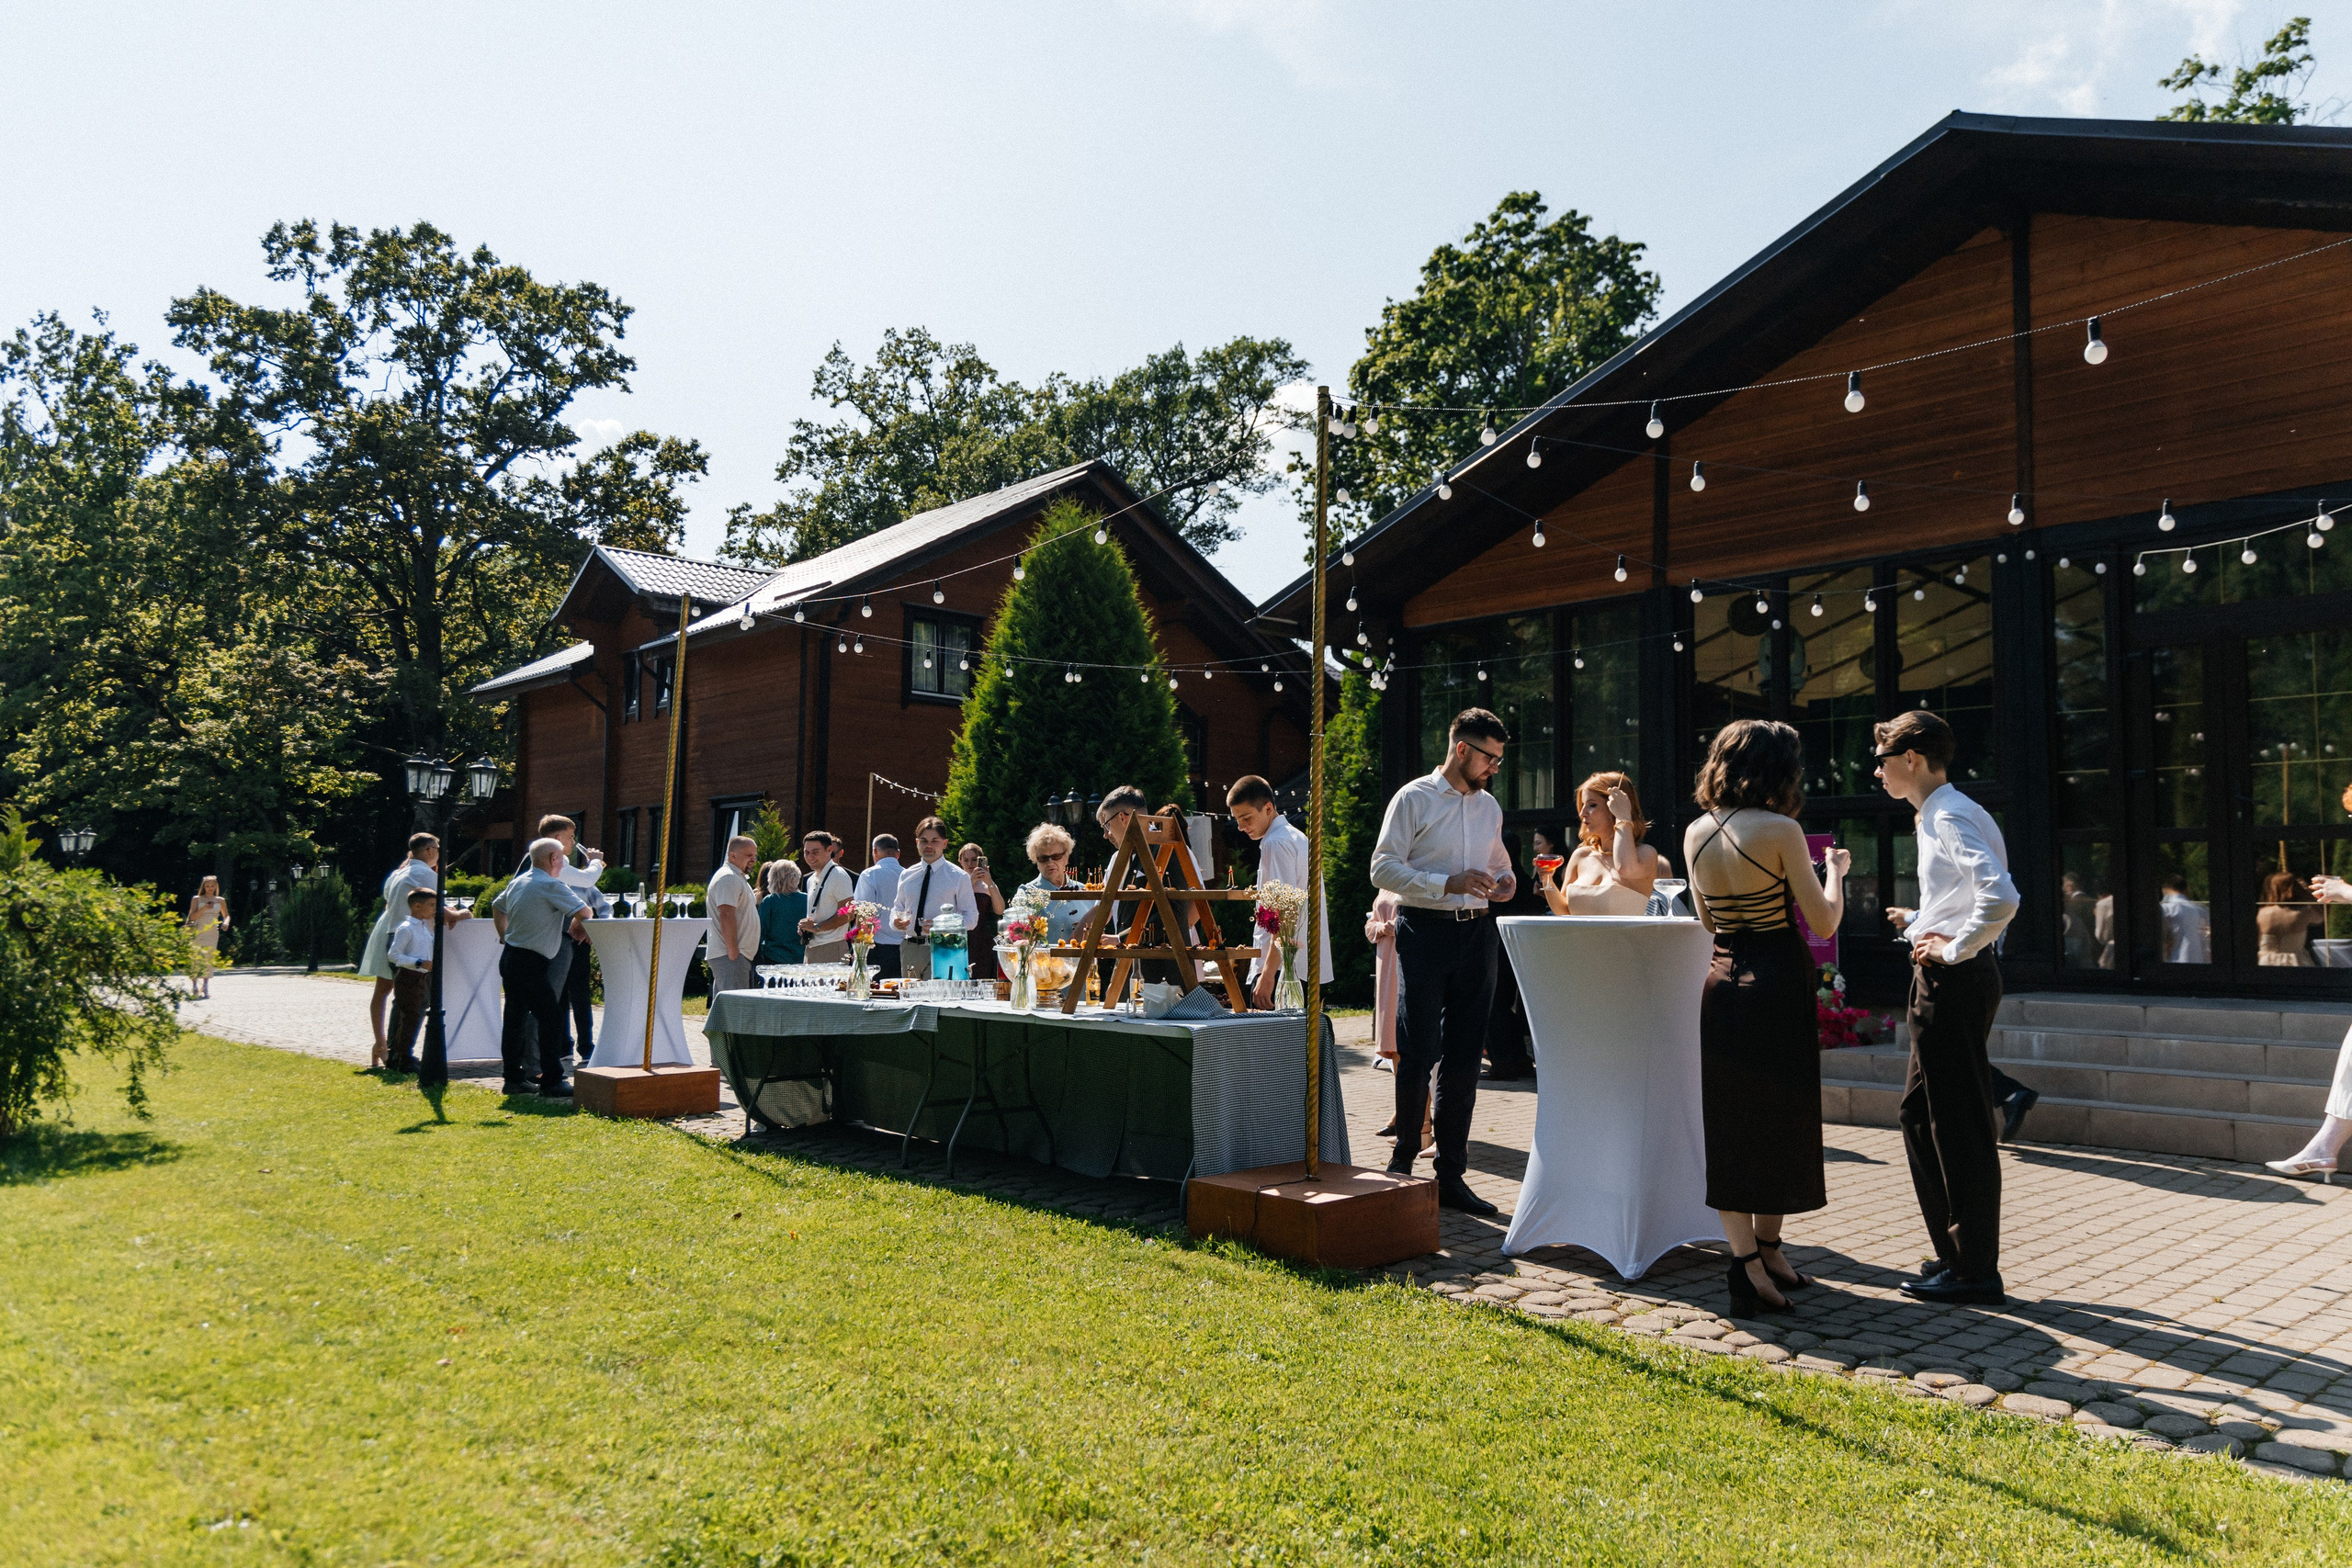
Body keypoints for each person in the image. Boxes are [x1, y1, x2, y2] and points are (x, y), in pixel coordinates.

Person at [1683, 719, 1850, 1314]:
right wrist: (1836, 871)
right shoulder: (1781, 829)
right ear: (1778, 769)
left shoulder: (1696, 830)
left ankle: (1756, 1254)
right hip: (1778, 979)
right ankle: (1754, 1263)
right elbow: (1824, 921)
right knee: (1784, 1116)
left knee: (1731, 1122)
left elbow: (1708, 921)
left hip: (1723, 980)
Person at [1874, 708, 2021, 1307]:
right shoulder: (1948, 811)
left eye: (1882, 758)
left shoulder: (1950, 813)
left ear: (1910, 758)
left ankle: (1973, 1269)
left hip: (1953, 979)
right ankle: (1956, 1252)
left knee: (1957, 1123)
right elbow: (1970, 894)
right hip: (1953, 973)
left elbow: (2002, 895)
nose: (1877, 771)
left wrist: (1956, 946)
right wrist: (1921, 920)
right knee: (1917, 1114)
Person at [1369, 707, 1519, 1215]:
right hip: (1425, 931)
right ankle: (1403, 1163)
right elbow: (1381, 867)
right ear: (1461, 750)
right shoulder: (1413, 798)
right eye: (1489, 758)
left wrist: (1506, 883)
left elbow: (1500, 865)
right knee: (1419, 1046)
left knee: (1465, 1056)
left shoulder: (1489, 808)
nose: (1494, 767)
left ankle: (1451, 1175)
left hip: (1478, 935)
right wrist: (1444, 884)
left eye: (1499, 759)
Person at [491, 837, 592, 1098]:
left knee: (514, 1020)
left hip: (511, 956)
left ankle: (512, 1079)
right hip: (532, 963)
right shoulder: (551, 884)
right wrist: (579, 921)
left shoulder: (519, 882)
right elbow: (586, 913)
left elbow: (496, 906)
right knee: (551, 1018)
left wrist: (504, 935)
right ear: (553, 859)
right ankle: (552, 1080)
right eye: (561, 859)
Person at [1227, 775, 1332, 1010]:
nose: (1241, 827)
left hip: (1283, 968)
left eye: (1246, 818)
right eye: (1237, 819)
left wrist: (1267, 974)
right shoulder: (1297, 837)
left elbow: (1284, 913)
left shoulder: (1276, 842)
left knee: (1270, 1044)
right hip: (1300, 963)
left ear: (1268, 808)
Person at [514, 815, 607, 1067]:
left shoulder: (539, 863)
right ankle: (541, 1063)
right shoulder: (550, 864)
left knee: (531, 1004)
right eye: (570, 836)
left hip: (531, 942)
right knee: (547, 1002)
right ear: (557, 839)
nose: (574, 841)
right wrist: (595, 862)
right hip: (546, 942)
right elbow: (585, 881)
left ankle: (534, 1061)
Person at [358, 834, 445, 1058]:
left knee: (397, 993)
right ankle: (399, 1052)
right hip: (408, 932)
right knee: (412, 997)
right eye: (438, 847)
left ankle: (388, 1046)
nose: (439, 852)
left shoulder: (398, 873)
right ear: (428, 850)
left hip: (390, 928)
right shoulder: (425, 874)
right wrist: (458, 914)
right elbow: (437, 908)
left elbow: (389, 899)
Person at [1540, 773, 1670, 917]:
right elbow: (1564, 910)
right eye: (1582, 806)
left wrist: (1623, 817)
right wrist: (1547, 880)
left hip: (1622, 939)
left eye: (1592, 805)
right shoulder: (1581, 855)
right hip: (1579, 938)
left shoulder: (1645, 854)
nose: (1582, 813)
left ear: (1615, 807)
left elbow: (1625, 868)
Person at [890, 817, 980, 980]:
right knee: (910, 1001)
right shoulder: (907, 874)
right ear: (917, 842)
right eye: (924, 841)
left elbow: (972, 918)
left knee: (940, 1000)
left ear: (944, 844)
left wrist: (942, 926)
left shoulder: (958, 877)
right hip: (911, 948)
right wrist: (895, 921)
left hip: (944, 948)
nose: (929, 846)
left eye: (935, 841)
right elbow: (897, 909)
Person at [382, 887, 442, 1074]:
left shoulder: (424, 928)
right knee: (410, 1017)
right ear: (417, 906)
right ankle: (402, 1057)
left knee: (414, 1016)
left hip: (422, 977)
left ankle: (405, 1055)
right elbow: (393, 955)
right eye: (431, 905)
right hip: (409, 977)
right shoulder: (406, 928)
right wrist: (417, 962)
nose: (435, 909)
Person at [705, 834, 761, 997]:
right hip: (731, 956)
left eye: (754, 855)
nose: (753, 860)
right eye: (749, 855)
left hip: (734, 956)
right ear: (732, 855)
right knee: (735, 1009)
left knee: (726, 1009)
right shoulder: (728, 877)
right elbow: (726, 915)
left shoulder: (735, 876)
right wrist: (733, 952)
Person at [1020, 823, 1088, 945]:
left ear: (1066, 857)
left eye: (1056, 856)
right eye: (1043, 858)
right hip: (1047, 963)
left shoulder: (1085, 890)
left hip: (1087, 962)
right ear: (1036, 860)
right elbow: (1018, 935)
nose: (1050, 862)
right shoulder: (1027, 893)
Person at [798, 831, 856, 964]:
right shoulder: (811, 878)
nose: (810, 857)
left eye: (815, 852)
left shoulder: (838, 875)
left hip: (832, 946)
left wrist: (817, 927)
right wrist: (806, 926)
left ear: (829, 850)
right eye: (806, 853)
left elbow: (849, 914)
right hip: (812, 947)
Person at [855, 834, 905, 978]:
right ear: (898, 853)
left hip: (878, 947)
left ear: (875, 851)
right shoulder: (909, 875)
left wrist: (859, 951)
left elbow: (865, 915)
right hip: (906, 947)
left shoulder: (869, 875)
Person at [2256, 871, 2324, 966]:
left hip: (2266, 962)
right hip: (2295, 962)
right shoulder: (2303, 912)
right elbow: (2321, 917)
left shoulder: (2262, 913)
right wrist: (2308, 894)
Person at [960, 842, 1004, 978]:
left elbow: (1000, 910)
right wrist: (969, 882)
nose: (970, 864)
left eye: (974, 859)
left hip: (982, 939)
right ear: (960, 862)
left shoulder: (986, 885)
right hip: (962, 938)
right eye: (965, 860)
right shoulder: (957, 882)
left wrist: (990, 882)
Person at [184, 875, 230, 999]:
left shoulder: (220, 900)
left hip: (212, 932)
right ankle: (194, 986)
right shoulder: (197, 899)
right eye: (207, 886)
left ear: (216, 887)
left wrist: (226, 922)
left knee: (209, 958)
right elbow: (192, 917)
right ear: (203, 887)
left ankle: (205, 986)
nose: (210, 888)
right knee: (197, 957)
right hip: (198, 930)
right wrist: (204, 908)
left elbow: (226, 915)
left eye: (212, 886)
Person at [756, 861, 808, 966]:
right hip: (801, 956)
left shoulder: (769, 901)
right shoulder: (807, 899)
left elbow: (760, 932)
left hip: (774, 957)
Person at [2161, 873, 2212, 964]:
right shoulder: (2202, 910)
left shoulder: (2166, 909)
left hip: (2173, 963)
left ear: (2165, 889)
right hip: (2199, 964)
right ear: (2186, 890)